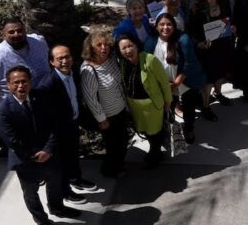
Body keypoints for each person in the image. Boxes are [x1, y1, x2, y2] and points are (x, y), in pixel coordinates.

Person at [0, 66, 77, 225]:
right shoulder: (3, 110)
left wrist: (48, 150)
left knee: (55, 183)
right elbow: (12, 140)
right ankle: (42, 221)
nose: (20, 86)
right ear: (8, 85)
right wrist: (34, 156)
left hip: (49, 154)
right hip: (25, 160)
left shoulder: (42, 98)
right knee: (31, 194)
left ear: (30, 82)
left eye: (24, 81)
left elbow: (55, 125)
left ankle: (57, 208)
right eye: (16, 82)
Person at [145, 12, 205, 143]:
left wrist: (176, 83)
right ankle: (170, 129)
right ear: (156, 26)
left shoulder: (183, 39)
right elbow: (146, 65)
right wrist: (162, 85)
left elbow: (190, 63)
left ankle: (189, 128)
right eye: (161, 24)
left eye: (169, 24)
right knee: (168, 108)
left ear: (174, 26)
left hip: (185, 81)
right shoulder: (150, 42)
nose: (165, 27)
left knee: (189, 106)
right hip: (163, 84)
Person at [47, 45, 97, 196]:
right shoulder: (48, 84)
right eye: (59, 58)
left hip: (73, 122)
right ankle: (65, 193)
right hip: (58, 129)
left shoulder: (73, 73)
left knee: (73, 154)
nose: (64, 61)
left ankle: (75, 179)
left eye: (67, 57)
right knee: (62, 161)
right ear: (52, 62)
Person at [79, 28, 130, 178]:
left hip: (120, 110)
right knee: (113, 146)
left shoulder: (111, 60)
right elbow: (90, 98)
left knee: (122, 141)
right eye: (99, 45)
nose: (104, 48)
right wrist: (102, 119)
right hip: (108, 117)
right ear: (91, 48)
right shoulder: (88, 69)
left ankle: (118, 164)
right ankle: (110, 170)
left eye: (106, 44)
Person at [117, 33, 171, 167]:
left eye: (130, 46)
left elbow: (164, 83)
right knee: (145, 131)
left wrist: (168, 102)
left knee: (154, 132)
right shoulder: (122, 63)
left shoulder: (150, 60)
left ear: (137, 45)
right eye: (123, 48)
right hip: (135, 106)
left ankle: (155, 154)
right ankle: (156, 151)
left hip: (152, 106)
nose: (128, 50)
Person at [0, 17, 54, 106]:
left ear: (25, 31)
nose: (16, 34)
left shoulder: (39, 42)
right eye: (11, 32)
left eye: (20, 30)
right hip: (15, 109)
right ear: (3, 35)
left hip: (47, 101)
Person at [188, 0, 234, 112]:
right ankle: (206, 105)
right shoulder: (197, 7)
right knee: (208, 79)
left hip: (222, 45)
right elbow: (190, 30)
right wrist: (198, 43)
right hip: (206, 48)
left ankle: (218, 93)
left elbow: (228, 20)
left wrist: (232, 27)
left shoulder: (223, 3)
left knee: (220, 74)